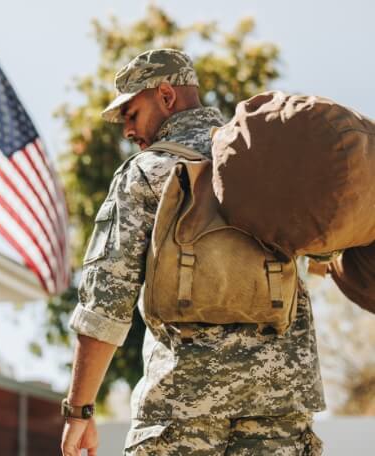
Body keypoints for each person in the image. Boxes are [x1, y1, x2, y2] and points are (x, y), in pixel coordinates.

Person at [61, 49, 326, 456]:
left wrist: (79, 410)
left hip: (181, 408)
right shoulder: (269, 164)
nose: (128, 131)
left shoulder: (147, 172)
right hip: (282, 407)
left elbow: (106, 303)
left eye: (131, 114)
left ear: (166, 96)